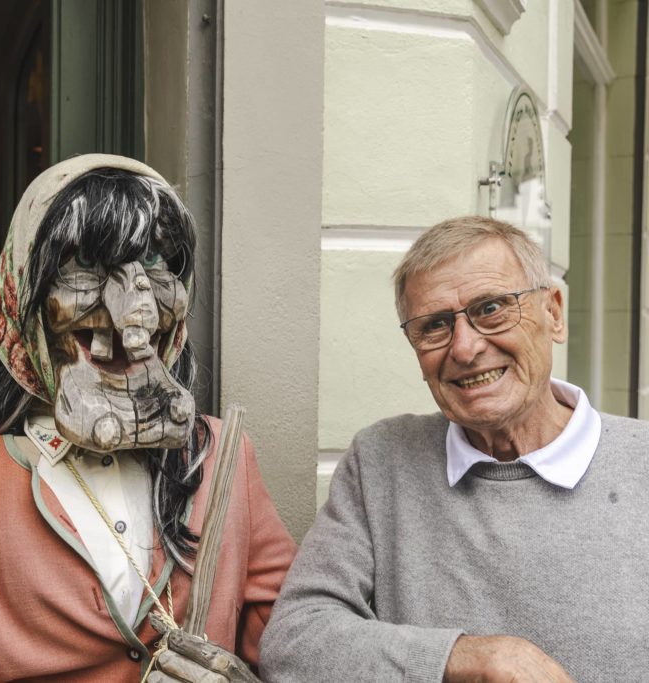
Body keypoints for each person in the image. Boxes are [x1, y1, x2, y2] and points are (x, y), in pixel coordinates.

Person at [0, 154, 296, 681]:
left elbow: (293, 640)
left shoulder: (220, 459)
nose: (135, 307)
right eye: (86, 265)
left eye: (155, 262)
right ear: (22, 297)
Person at [259, 216, 645, 682]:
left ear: (554, 314)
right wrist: (466, 659)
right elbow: (294, 643)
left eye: (491, 308)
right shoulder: (382, 461)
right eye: (435, 326)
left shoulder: (640, 464)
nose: (464, 348)